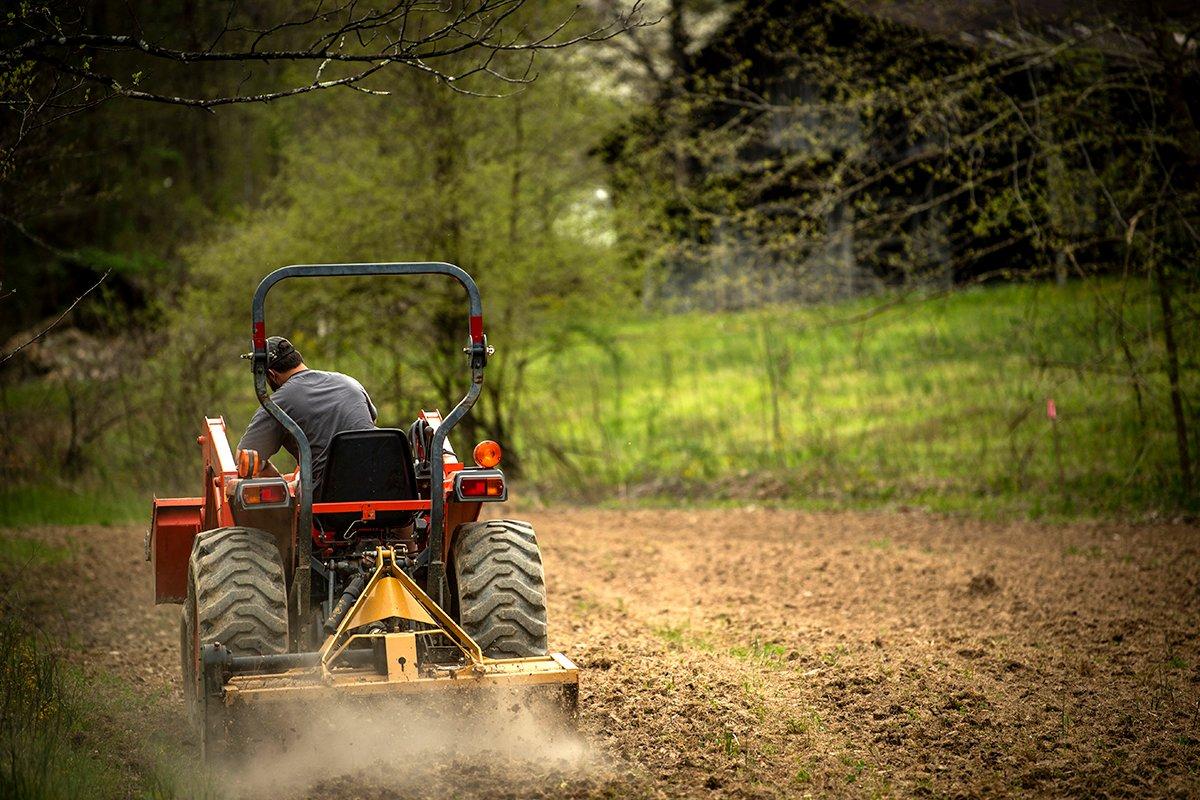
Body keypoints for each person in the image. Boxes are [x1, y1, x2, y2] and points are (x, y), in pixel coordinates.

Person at [237, 336, 377, 498]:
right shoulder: (349, 383)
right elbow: (371, 427)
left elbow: (247, 459)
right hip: (380, 485)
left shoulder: (277, 403)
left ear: (271, 375)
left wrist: (283, 487)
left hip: (328, 498)